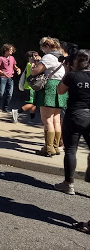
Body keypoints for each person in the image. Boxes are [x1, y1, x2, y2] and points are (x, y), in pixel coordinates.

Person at [51, 49, 90, 195]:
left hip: (74, 115)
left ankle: (68, 184)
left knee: (71, 150)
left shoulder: (72, 76)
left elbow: (60, 90)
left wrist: (67, 71)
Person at [30, 37, 67, 157]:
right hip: (60, 85)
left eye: (42, 47)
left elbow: (36, 72)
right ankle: (56, 147)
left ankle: (48, 148)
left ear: (46, 46)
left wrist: (33, 67)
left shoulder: (48, 57)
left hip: (50, 87)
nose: (42, 50)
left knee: (47, 120)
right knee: (56, 119)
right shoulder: (62, 57)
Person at [0, 44, 21, 113]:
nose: (11, 51)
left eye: (12, 50)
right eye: (10, 50)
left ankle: (5, 108)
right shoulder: (1, 58)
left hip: (10, 78)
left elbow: (14, 66)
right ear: (5, 50)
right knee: (1, 93)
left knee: (9, 94)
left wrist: (18, 69)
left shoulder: (12, 58)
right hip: (3, 78)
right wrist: (3, 74)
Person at [12, 51, 40, 123]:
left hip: (33, 87)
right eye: (35, 56)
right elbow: (35, 71)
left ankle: (32, 119)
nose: (36, 57)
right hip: (30, 87)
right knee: (32, 104)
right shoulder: (30, 64)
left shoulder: (31, 64)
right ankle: (17, 111)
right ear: (30, 58)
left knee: (34, 104)